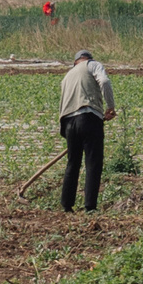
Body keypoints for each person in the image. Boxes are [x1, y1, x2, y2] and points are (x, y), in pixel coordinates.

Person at [58, 50, 116, 212]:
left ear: (75, 61)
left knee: (72, 163)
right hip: (89, 117)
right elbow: (104, 81)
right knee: (93, 163)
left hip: (69, 122)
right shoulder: (92, 65)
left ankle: (66, 205)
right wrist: (110, 107)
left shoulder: (67, 76)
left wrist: (67, 130)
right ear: (87, 59)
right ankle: (90, 207)